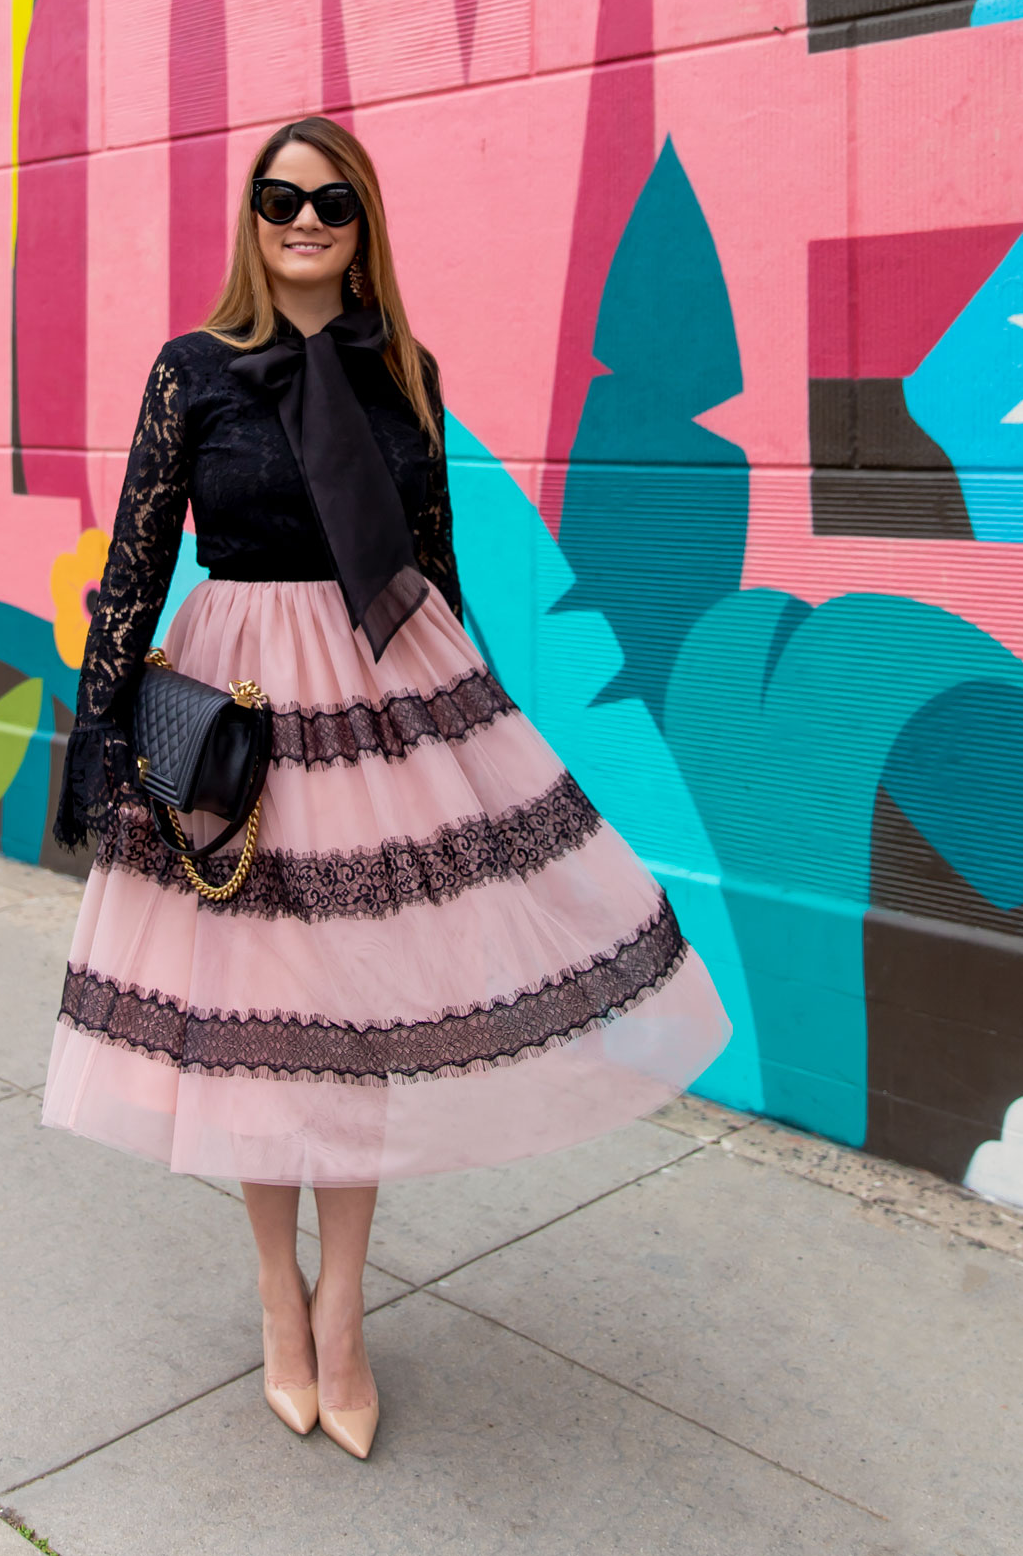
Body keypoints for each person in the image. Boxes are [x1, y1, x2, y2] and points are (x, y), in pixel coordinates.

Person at [43, 116, 730, 1459]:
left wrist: (467, 743)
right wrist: (104, 742)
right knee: (255, 1017)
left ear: (364, 224)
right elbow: (135, 562)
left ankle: (344, 1308)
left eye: (332, 201)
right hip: (240, 722)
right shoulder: (192, 372)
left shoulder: (405, 370)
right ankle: (273, 1293)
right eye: (280, 197)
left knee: (354, 1019)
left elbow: (434, 562)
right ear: (252, 219)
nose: (304, 218)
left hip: (374, 707)